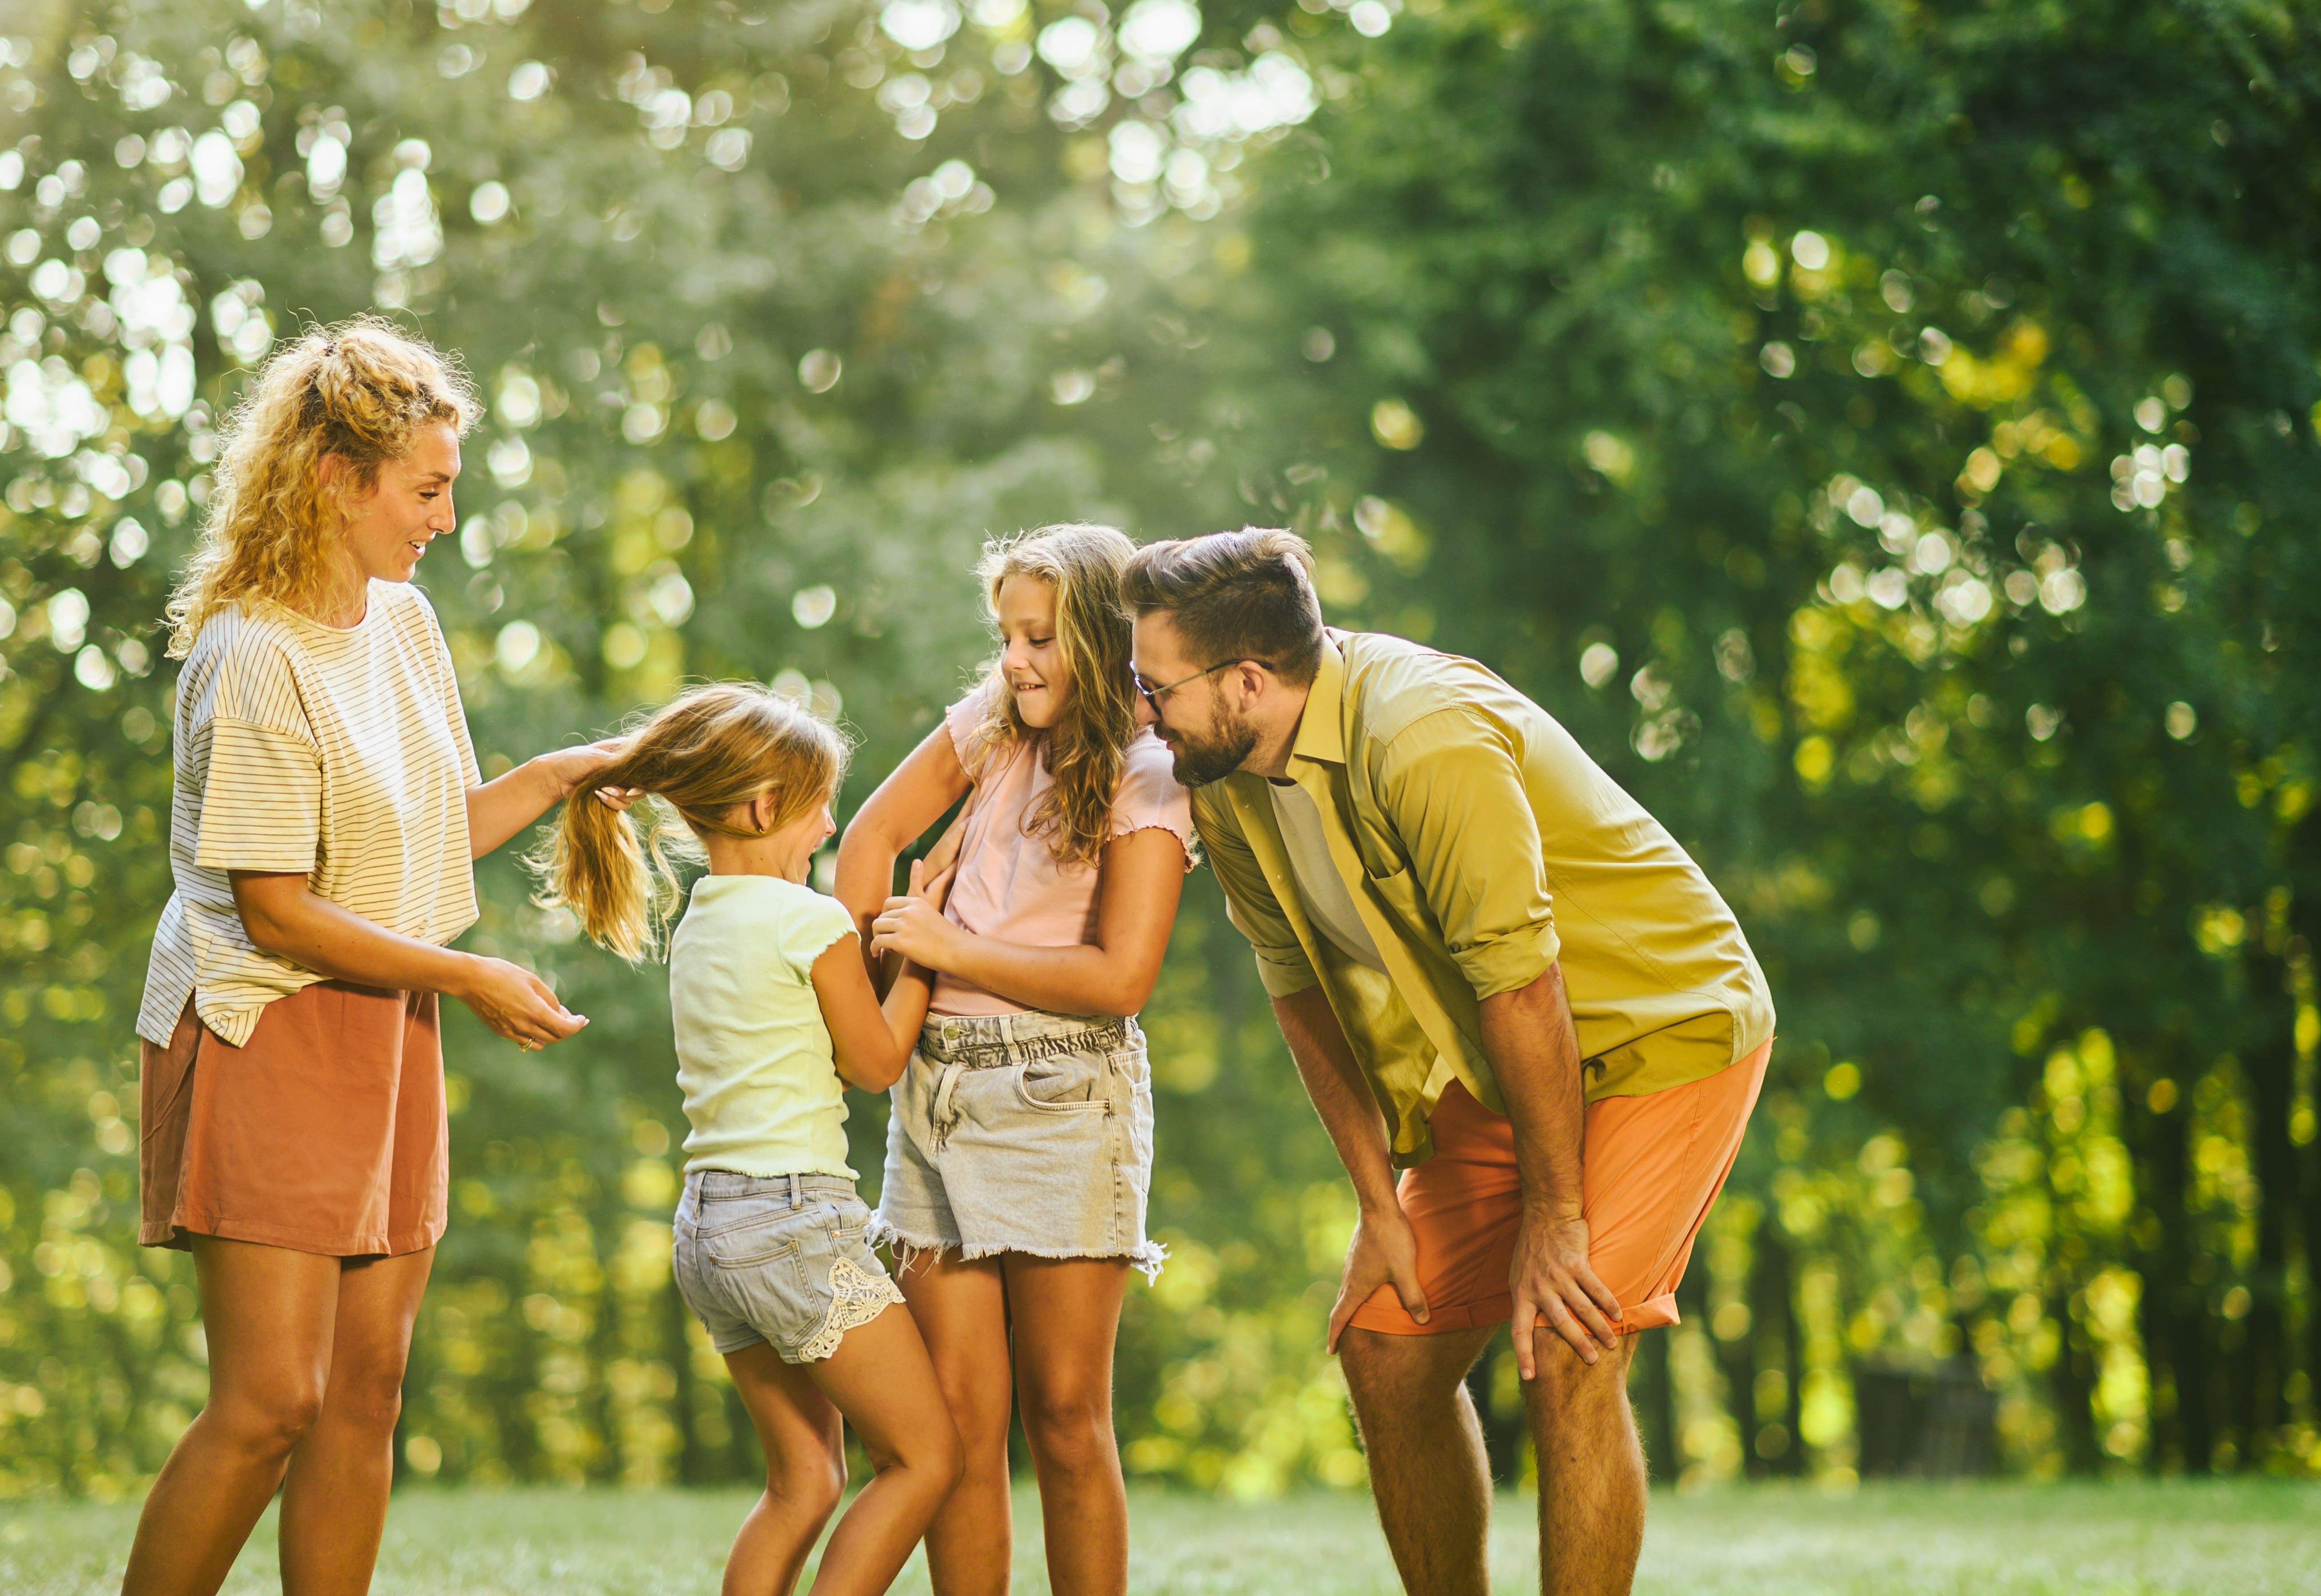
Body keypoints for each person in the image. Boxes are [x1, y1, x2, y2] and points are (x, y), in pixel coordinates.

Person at [1121, 528, 1774, 1596]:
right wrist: (1378, 1201)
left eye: (1158, 689)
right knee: (1385, 1350)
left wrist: (1557, 1223)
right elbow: (1301, 992)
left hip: (1661, 1029)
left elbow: (1525, 981)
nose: (1145, 714)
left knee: (1572, 1345)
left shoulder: (1420, 733)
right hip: (1504, 1057)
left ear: (1247, 678)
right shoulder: (1225, 775)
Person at [122, 319, 611, 1596]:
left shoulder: (401, 624)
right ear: (335, 477)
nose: (444, 517)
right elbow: (274, 910)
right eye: (428, 489)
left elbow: (432, 827)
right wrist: (473, 977)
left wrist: (565, 776)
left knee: (368, 1390)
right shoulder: (253, 655)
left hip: (384, 1019)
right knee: (273, 1399)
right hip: (265, 1021)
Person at [834, 523, 1193, 1596]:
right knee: (959, 1423)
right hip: (933, 1091)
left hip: (1060, 1095)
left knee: (1069, 1417)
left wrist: (947, 945)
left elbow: (1121, 978)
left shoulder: (1151, 771)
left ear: (1097, 636)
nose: (1016, 661)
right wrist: (864, 997)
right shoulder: (992, 727)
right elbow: (867, 841)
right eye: (1006, 637)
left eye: (1039, 638)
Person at [539, 682, 961, 1596]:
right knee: (926, 1457)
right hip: (793, 1221)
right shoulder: (806, 921)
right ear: (766, 805)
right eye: (818, 804)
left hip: (709, 1229)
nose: (828, 825)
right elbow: (877, 1061)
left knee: (803, 1479)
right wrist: (928, 948)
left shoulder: (701, 919)